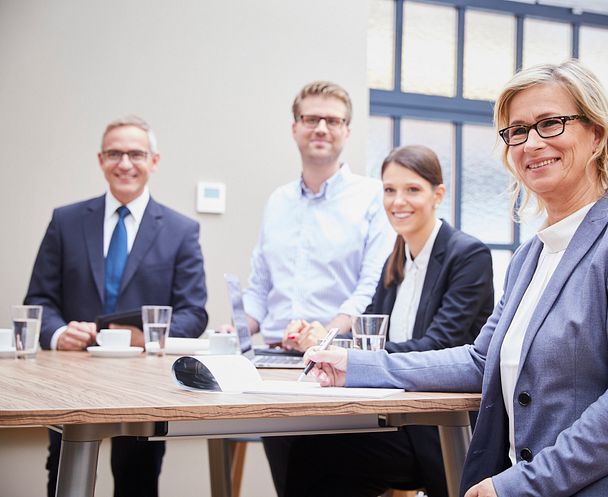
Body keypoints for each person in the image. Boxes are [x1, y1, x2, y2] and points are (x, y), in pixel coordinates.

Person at [306, 60, 608, 497]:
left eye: (550, 123)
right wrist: (358, 365)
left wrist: (518, 485)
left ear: (596, 135)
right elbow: (480, 360)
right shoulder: (530, 256)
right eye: (517, 130)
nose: (531, 143)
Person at [264, 145, 494, 497]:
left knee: (314, 450)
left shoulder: (467, 256)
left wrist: (347, 353)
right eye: (389, 190)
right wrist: (321, 338)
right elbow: (366, 334)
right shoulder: (396, 257)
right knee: (287, 432)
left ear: (438, 194)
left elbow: (438, 347)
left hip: (438, 426)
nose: (398, 201)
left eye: (412, 189)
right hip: (393, 413)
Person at [24, 116, 208, 497]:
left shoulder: (181, 230)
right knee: (63, 478)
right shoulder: (66, 220)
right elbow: (38, 300)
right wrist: (58, 334)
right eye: (115, 153)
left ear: (154, 160)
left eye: (136, 154)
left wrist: (145, 338)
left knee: (138, 481)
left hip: (146, 384)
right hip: (68, 379)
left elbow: (193, 313)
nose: (125, 163)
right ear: (101, 159)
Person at [242, 80, 394, 347]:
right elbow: (259, 289)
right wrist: (236, 329)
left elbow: (370, 287)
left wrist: (323, 337)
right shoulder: (278, 201)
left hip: (336, 353)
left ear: (347, 130)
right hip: (272, 352)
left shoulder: (374, 197)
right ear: (295, 128)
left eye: (333, 121)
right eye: (311, 119)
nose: (321, 129)